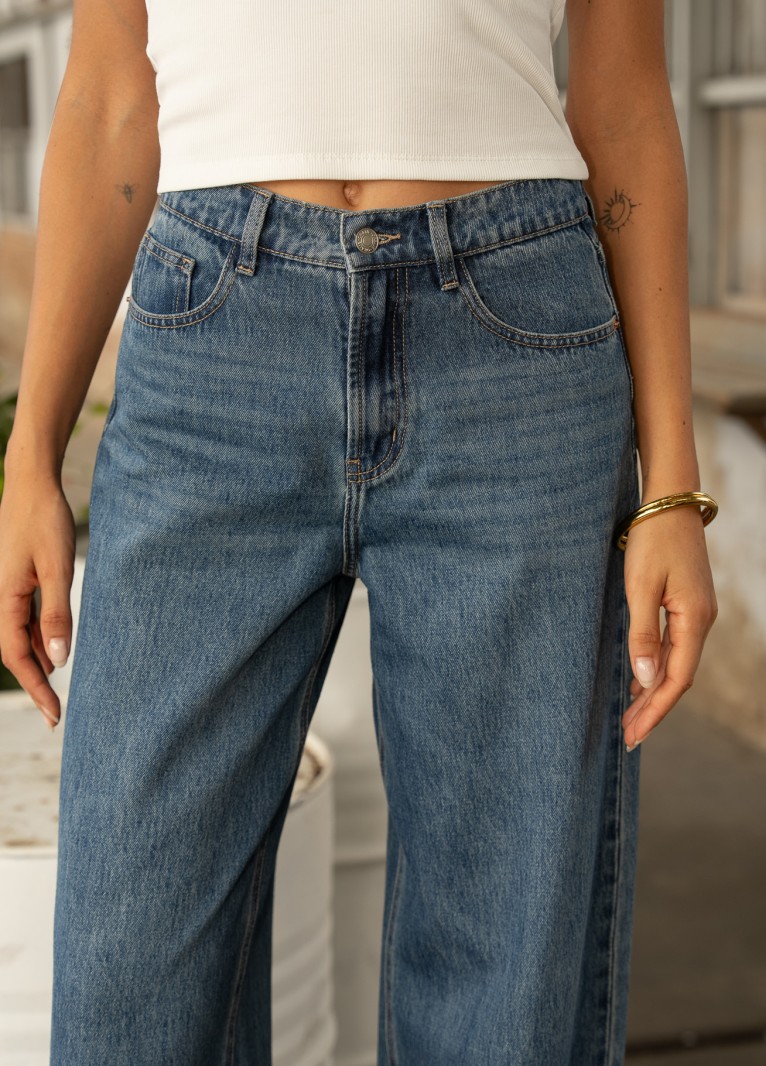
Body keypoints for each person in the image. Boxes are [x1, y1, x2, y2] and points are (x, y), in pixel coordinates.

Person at [0, 0, 718, 1062]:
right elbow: (109, 96)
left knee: (503, 988)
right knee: (129, 974)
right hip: (213, 347)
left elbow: (623, 105)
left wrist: (672, 489)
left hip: (514, 345)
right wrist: (31, 457)